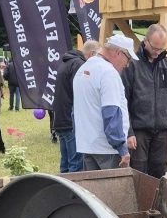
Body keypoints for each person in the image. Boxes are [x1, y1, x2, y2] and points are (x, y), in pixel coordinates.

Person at [122, 25, 167, 178]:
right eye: (155, 48)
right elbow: (124, 101)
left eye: (161, 49)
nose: (157, 52)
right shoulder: (132, 65)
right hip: (139, 130)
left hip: (162, 131)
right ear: (145, 41)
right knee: (138, 173)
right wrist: (129, 132)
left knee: (159, 173)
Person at [74, 34, 135, 170]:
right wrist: (121, 148)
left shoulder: (83, 69)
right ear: (119, 53)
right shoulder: (108, 73)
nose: (127, 65)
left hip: (87, 145)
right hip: (108, 149)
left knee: (92, 190)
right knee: (116, 190)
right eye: (128, 59)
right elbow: (111, 113)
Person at [53, 41, 97, 173]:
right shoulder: (79, 65)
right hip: (72, 121)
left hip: (61, 119)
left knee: (65, 164)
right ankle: (71, 193)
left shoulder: (67, 62)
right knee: (76, 166)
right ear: (93, 54)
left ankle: (60, 192)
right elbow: (81, 92)